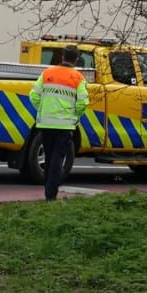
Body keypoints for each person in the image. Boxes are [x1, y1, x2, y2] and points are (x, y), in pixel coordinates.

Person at [28, 45, 90, 200]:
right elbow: (83, 103)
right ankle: (51, 195)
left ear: (62, 56)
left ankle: (48, 190)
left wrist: (43, 110)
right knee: (57, 159)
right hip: (65, 125)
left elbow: (34, 96)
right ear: (76, 59)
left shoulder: (47, 73)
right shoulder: (78, 78)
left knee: (49, 158)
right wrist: (75, 116)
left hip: (46, 124)